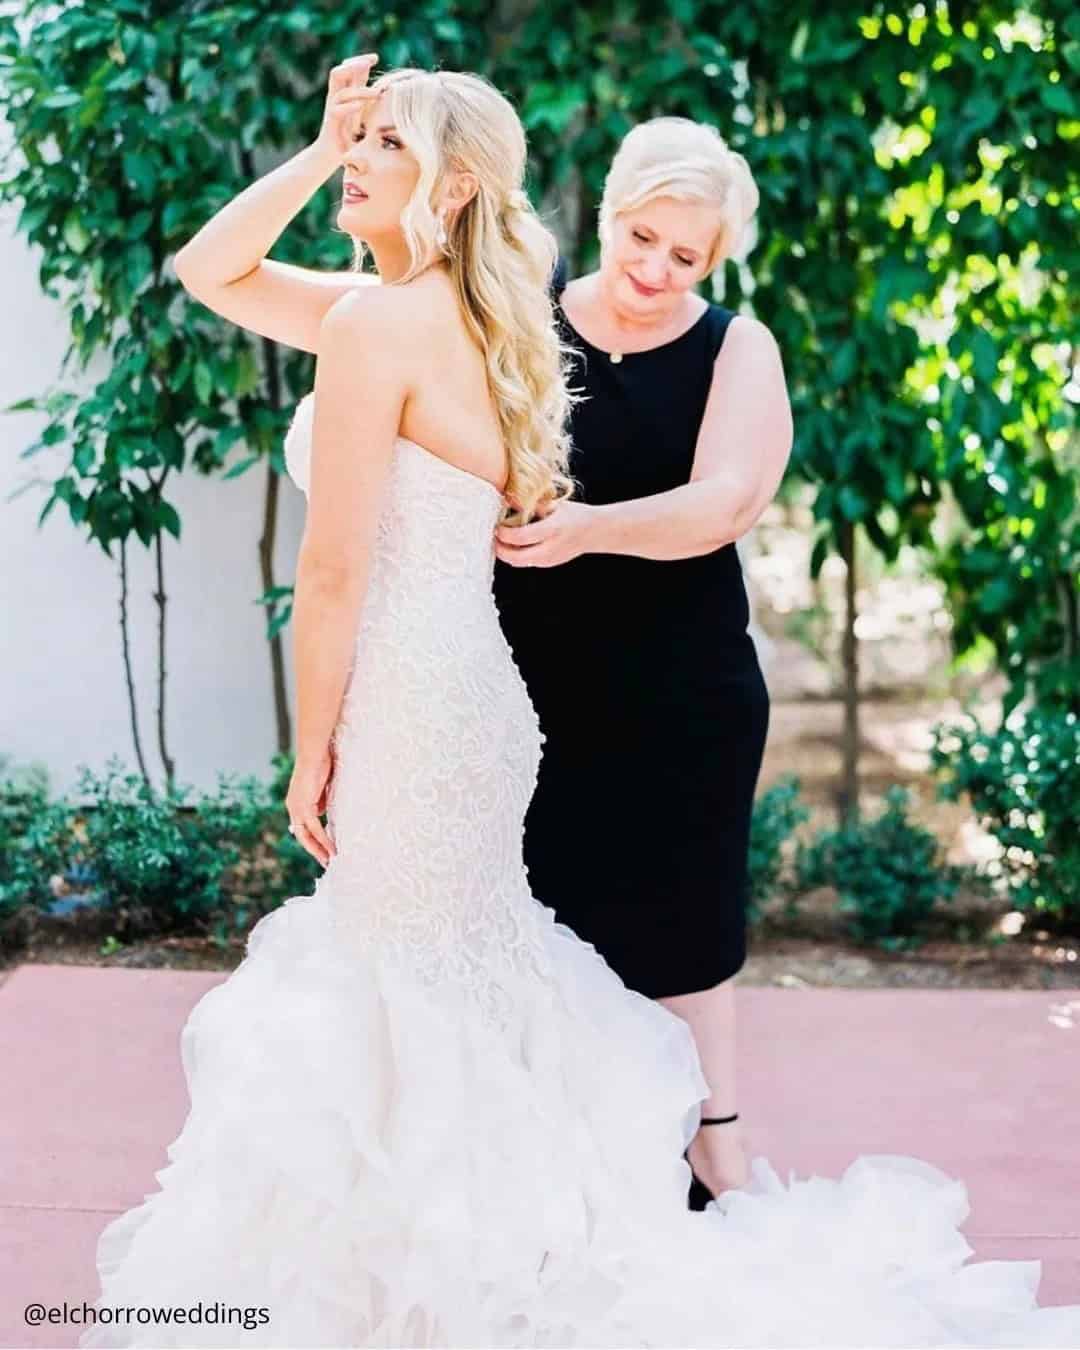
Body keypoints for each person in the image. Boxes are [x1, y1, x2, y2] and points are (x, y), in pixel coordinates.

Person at [78, 56, 1080, 1349]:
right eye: (639, 235)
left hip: (475, 700)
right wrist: (330, 150)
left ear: (439, 183)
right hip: (488, 696)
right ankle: (517, 1231)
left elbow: (334, 568)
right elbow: (217, 274)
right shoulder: (491, 322)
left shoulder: (420, 327)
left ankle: (481, 1242)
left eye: (383, 145)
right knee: (468, 981)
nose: (657, 264)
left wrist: (309, 744)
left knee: (448, 975)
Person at [492, 117, 780, 1211]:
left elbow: (723, 505)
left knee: (685, 929)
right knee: (541, 924)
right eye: (641, 237)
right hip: (530, 689)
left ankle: (713, 1140)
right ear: (607, 210)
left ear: (718, 258)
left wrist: (584, 529)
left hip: (681, 694)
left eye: (687, 256)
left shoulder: (738, 347)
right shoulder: (524, 318)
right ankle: (560, 1165)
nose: (656, 271)